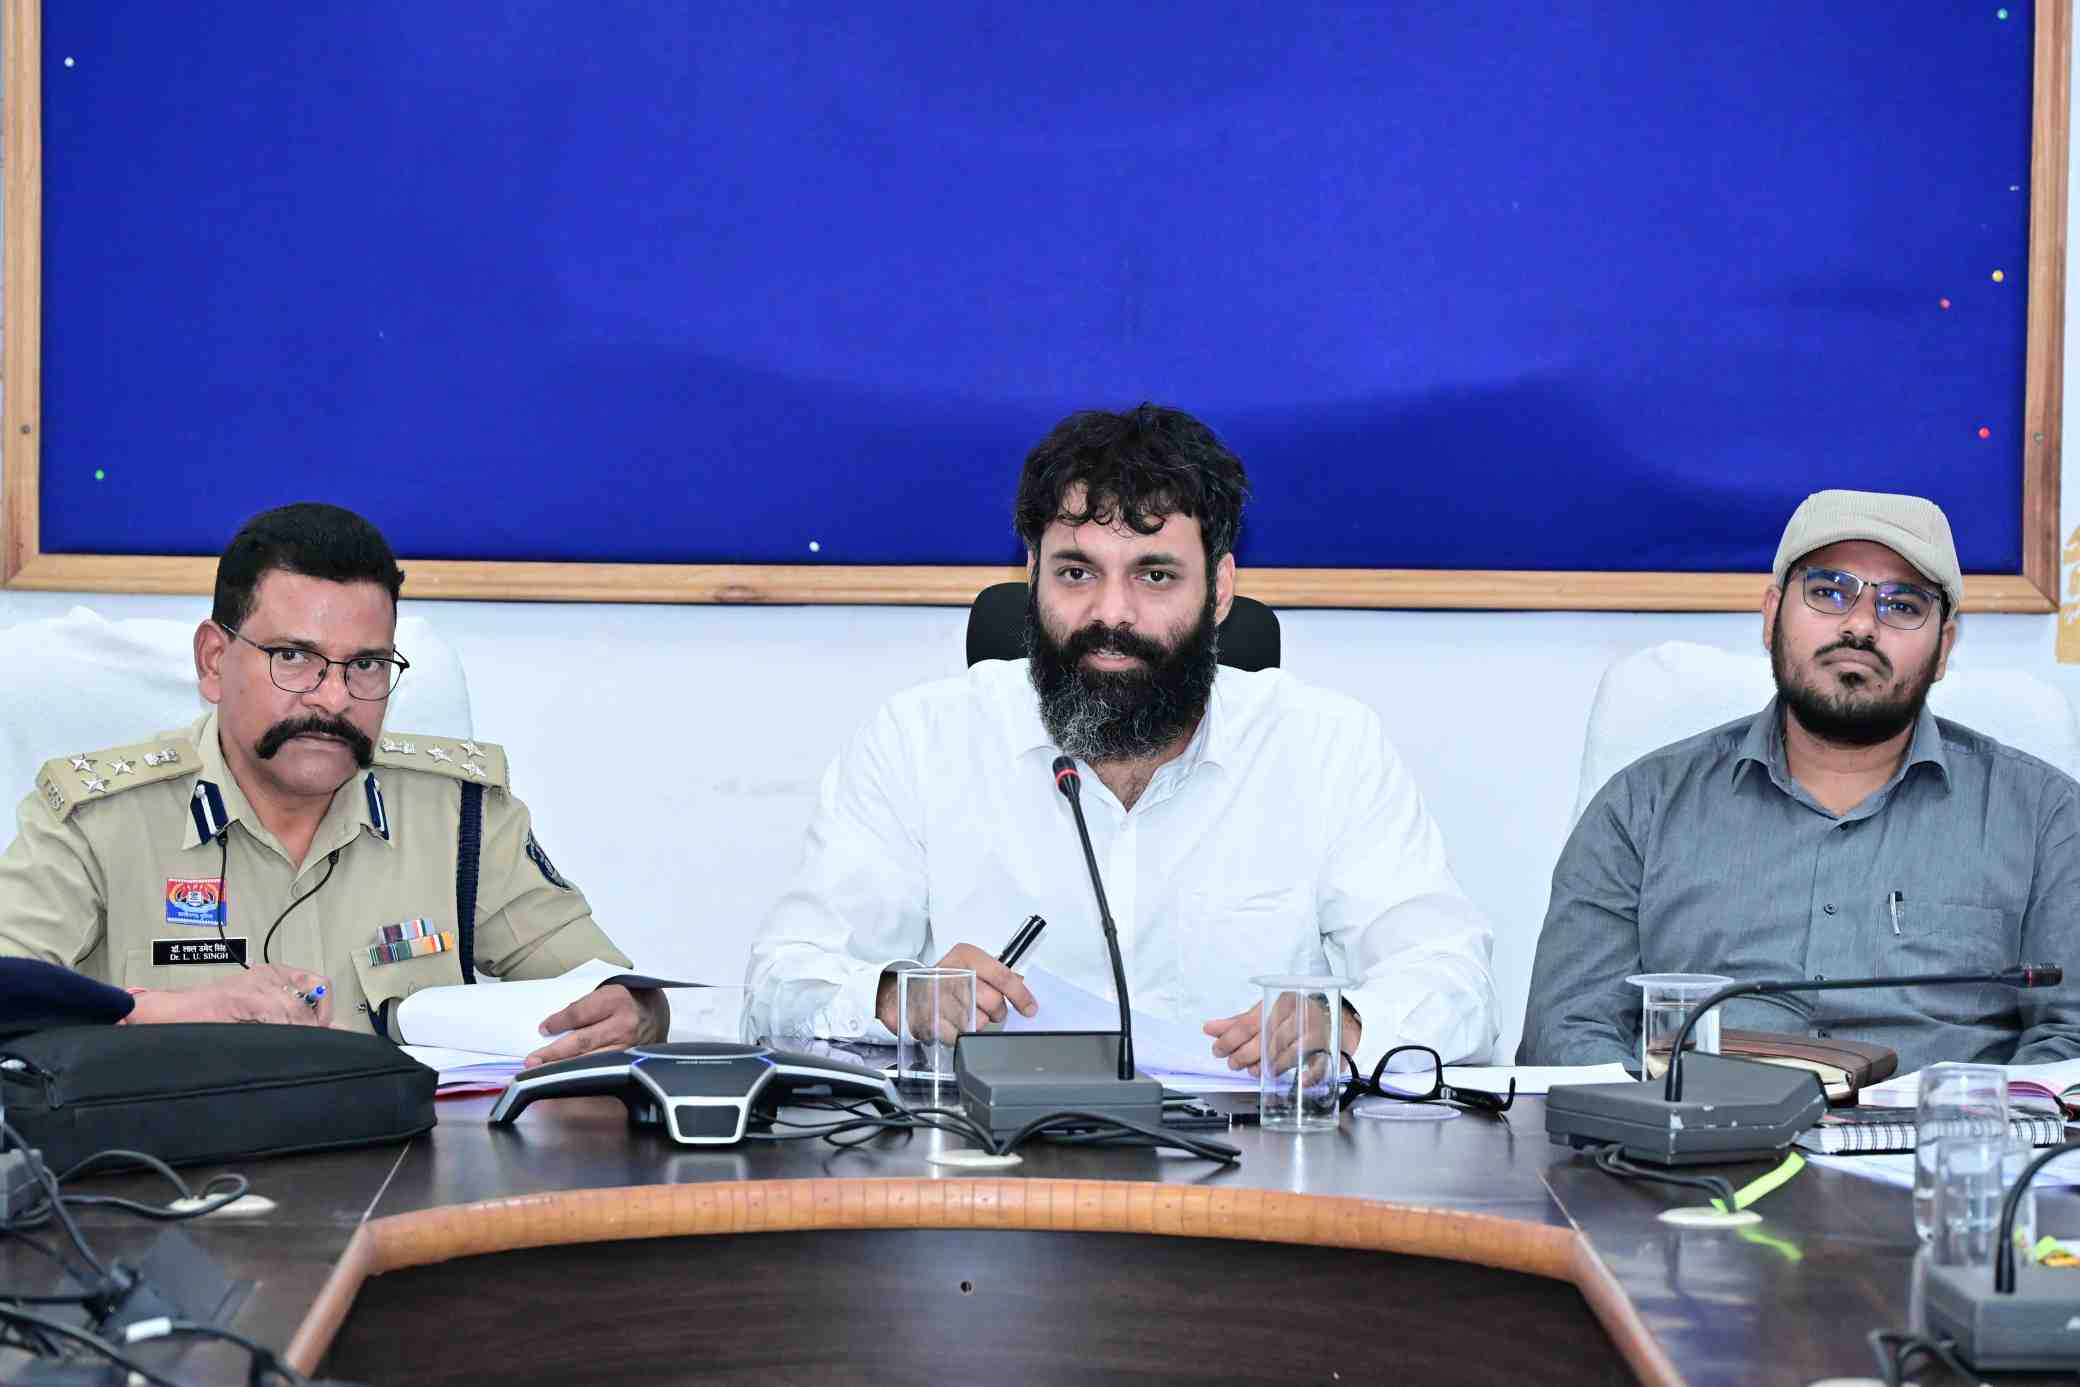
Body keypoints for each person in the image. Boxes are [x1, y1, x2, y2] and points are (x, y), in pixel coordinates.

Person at [746, 404, 1496, 1075]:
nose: (1112, 613)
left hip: (1250, 1167)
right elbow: (781, 984)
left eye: (1155, 575)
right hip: (991, 1168)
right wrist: (894, 996)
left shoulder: (1327, 747)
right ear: (1031, 576)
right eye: (1077, 572)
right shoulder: (919, 741)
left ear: (1220, 590)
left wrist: (1345, 1023)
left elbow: (1455, 980)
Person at [0, 503, 664, 1066]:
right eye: (294, 657)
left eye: (367, 665)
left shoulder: (459, 815)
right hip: (170, 1166)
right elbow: (10, 999)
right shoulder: (97, 821)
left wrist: (634, 1013)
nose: (334, 698)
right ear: (214, 661)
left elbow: (608, 987)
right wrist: (172, 1013)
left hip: (409, 1165)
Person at [1519, 489, 2080, 1072]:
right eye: (1828, 592)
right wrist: (1651, 1116)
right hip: (1693, 1126)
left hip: (1937, 1128)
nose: (1860, 625)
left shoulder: (2047, 818)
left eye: (1902, 605)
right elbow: (1569, 1026)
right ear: (1771, 617)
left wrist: (1971, 1118)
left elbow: (2071, 1039)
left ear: (1944, 649)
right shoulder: (1642, 807)